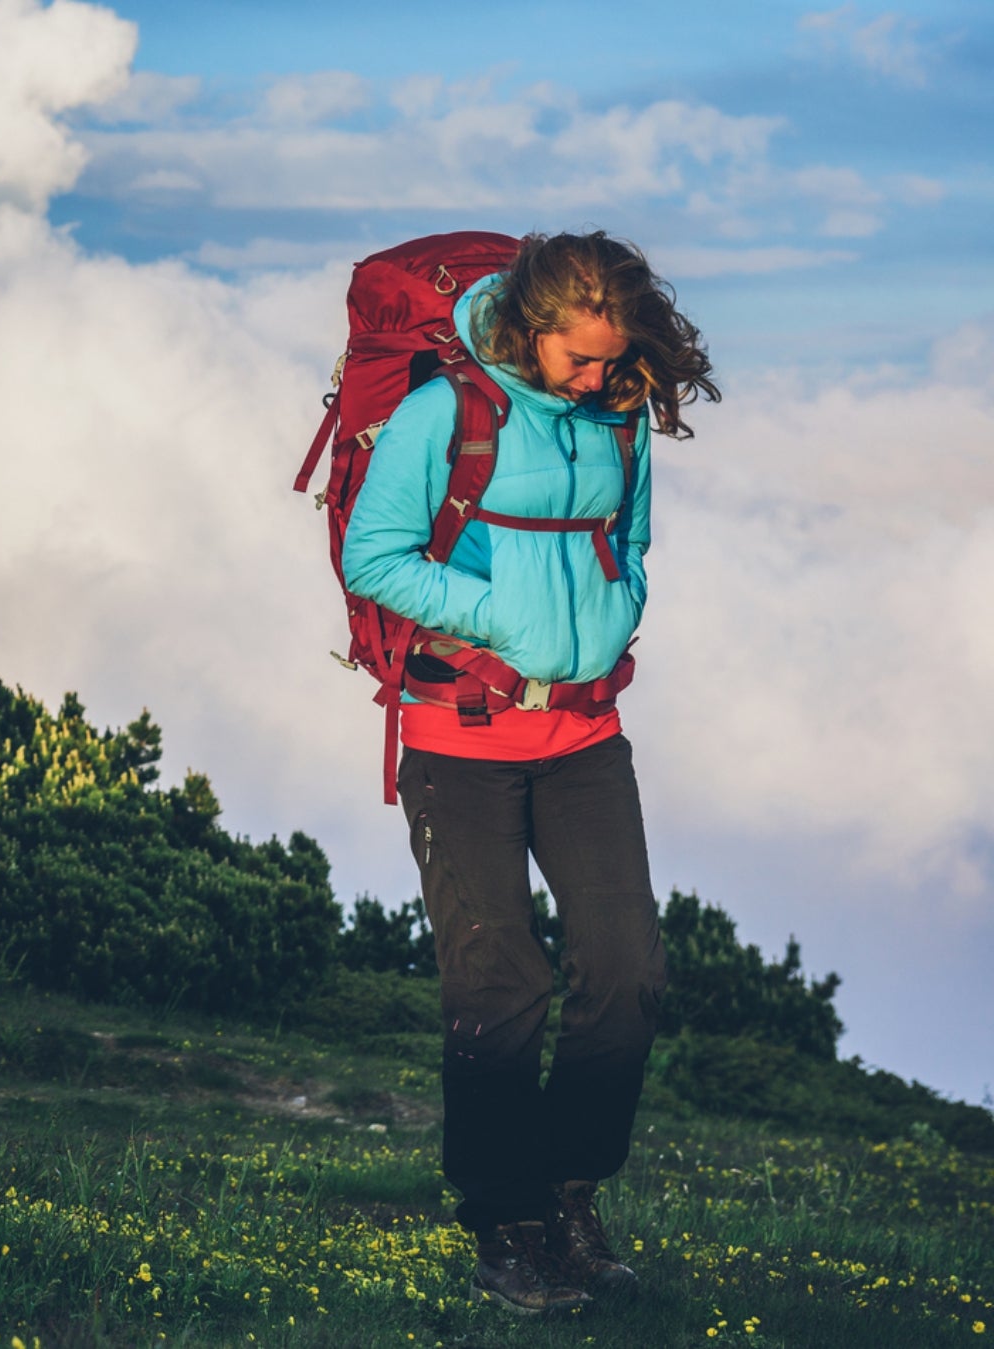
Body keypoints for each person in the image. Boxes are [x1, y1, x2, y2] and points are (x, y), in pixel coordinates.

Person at [341, 231, 719, 1316]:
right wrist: (502, 617)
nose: (603, 378)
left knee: (629, 974)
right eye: (584, 358)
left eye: (617, 358)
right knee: (500, 984)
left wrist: (612, 617)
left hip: (587, 738)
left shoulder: (616, 412)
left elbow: (629, 541)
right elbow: (377, 553)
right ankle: (504, 1223)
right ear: (531, 326)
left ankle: (566, 1191)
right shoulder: (447, 412)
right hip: (461, 739)